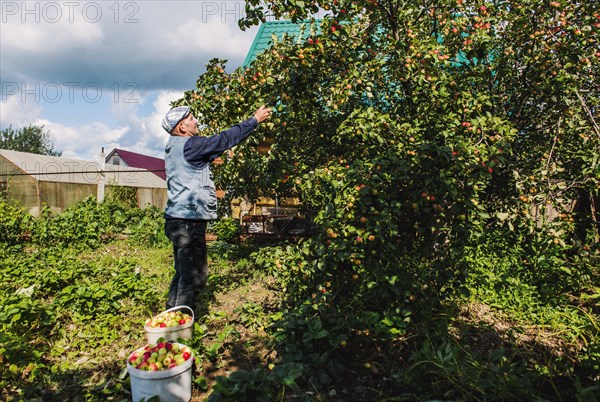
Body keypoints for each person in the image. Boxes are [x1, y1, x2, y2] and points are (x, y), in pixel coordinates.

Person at [161, 104, 272, 311]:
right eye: (192, 118)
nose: (196, 121)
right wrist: (254, 120)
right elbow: (223, 139)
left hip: (177, 220)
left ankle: (170, 317)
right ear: (182, 127)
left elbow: (207, 155)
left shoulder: (175, 147)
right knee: (192, 276)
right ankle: (179, 326)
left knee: (185, 273)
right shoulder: (191, 144)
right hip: (188, 222)